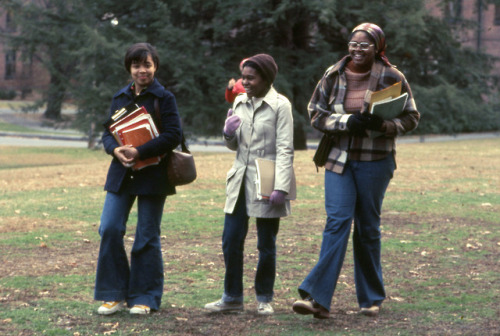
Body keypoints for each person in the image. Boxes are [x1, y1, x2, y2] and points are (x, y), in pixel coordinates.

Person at [292, 23, 420, 319]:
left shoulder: (392, 76)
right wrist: (346, 123)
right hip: (339, 160)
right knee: (337, 222)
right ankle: (317, 299)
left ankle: (371, 298)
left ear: (377, 48)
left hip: (376, 161)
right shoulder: (333, 74)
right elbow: (316, 113)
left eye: (365, 45)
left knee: (367, 228)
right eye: (353, 44)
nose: (357, 50)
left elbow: (412, 116)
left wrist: (386, 125)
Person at [94, 43, 182, 315]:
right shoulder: (120, 97)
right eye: (136, 65)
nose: (142, 70)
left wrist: (140, 150)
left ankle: (145, 297)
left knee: (146, 236)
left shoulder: (163, 97)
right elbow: (107, 133)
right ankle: (114, 294)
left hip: (153, 176)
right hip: (122, 174)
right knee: (109, 228)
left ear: (155, 66)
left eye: (147, 64)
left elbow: (173, 135)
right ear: (129, 68)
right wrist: (115, 149)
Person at [204, 54, 295, 315]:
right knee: (230, 239)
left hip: (267, 179)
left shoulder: (281, 105)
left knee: (266, 244)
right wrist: (228, 132)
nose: (244, 82)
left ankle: (264, 297)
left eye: (250, 78)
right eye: (244, 77)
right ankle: (231, 297)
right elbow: (233, 145)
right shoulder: (239, 101)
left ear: (266, 78)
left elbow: (285, 148)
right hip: (239, 180)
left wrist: (281, 186)